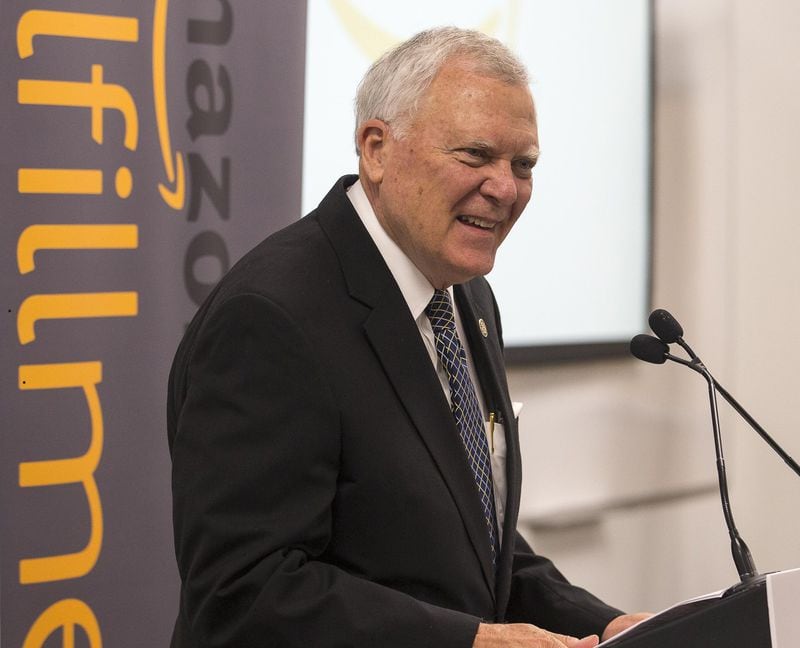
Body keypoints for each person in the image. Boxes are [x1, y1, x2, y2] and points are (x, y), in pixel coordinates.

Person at [167, 27, 648, 648]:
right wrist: (472, 642)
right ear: (376, 148)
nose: (505, 188)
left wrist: (606, 626)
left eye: (523, 164)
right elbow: (243, 593)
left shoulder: (464, 293)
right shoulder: (271, 317)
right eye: (474, 156)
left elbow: (473, 535)